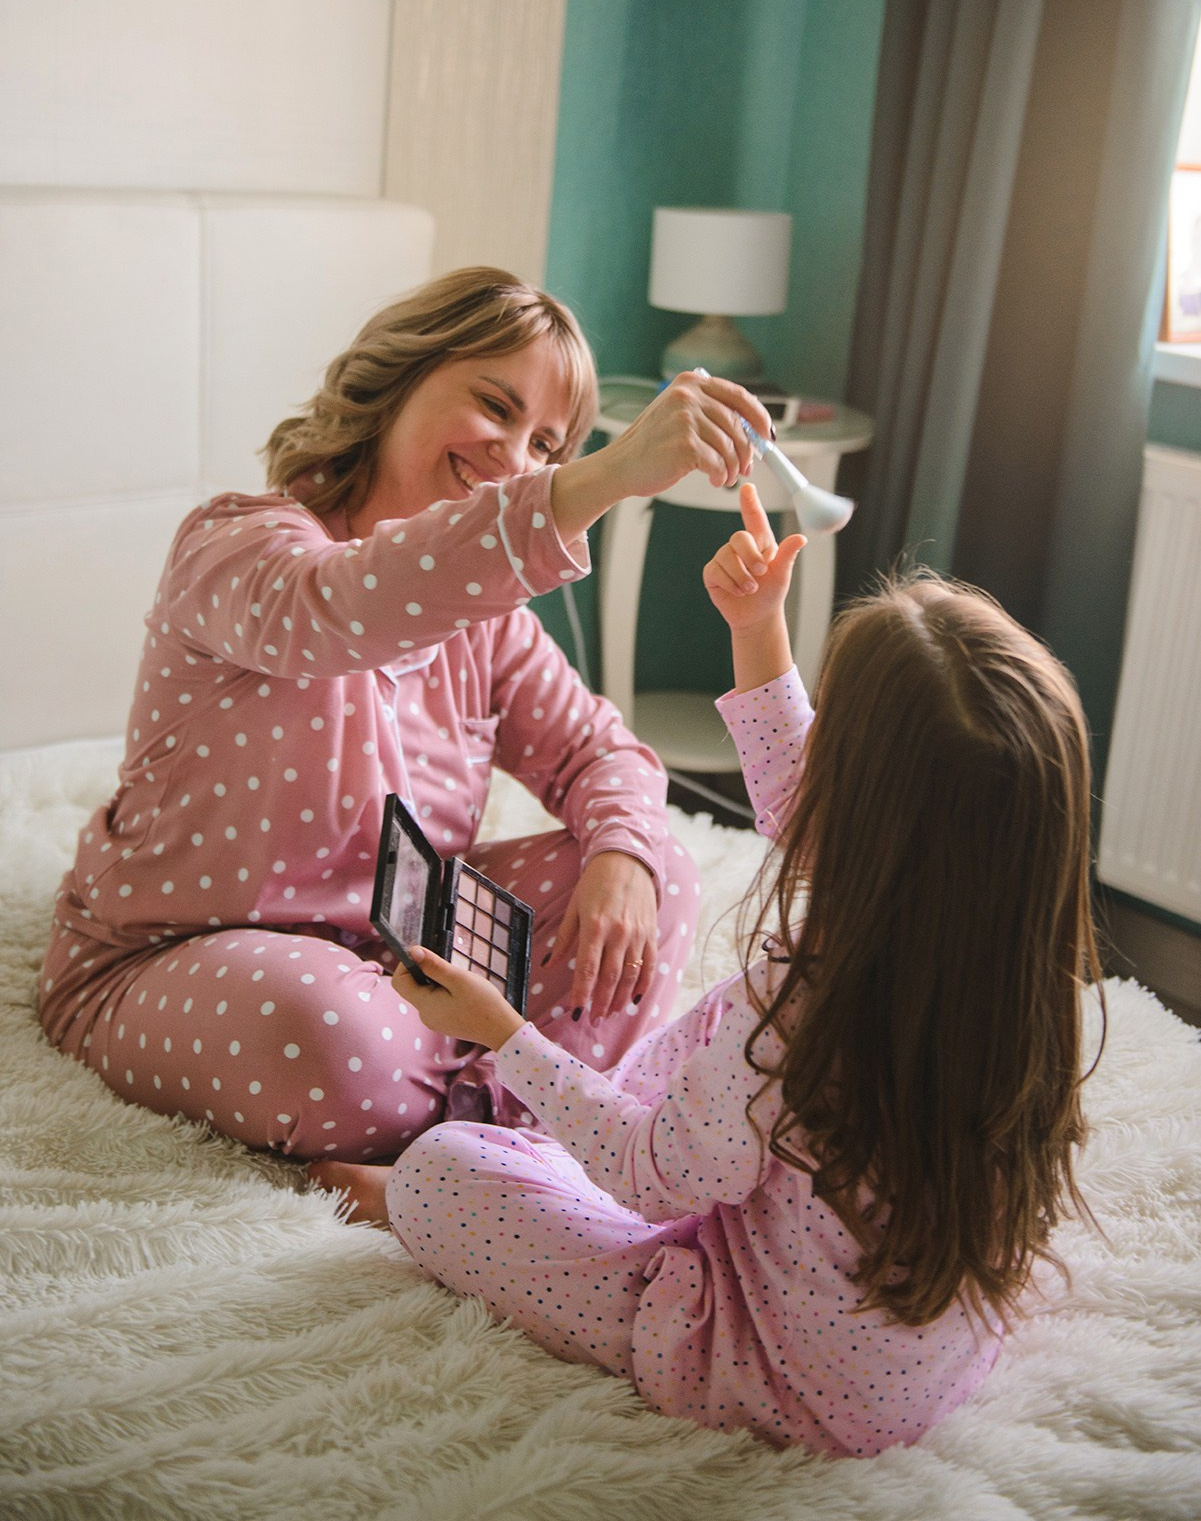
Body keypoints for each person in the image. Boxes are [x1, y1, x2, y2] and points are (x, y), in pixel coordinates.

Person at [319, 482, 1105, 1455]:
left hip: (752, 1356)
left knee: (441, 1173)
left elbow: (654, 1177)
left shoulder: (800, 1016)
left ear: (860, 819)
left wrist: (504, 1037)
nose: (806, 785)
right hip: (922, 1360)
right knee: (700, 1043)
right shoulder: (1013, 971)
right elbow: (812, 812)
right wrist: (757, 629)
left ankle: (430, 1188)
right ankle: (552, 1155)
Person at [38, 268, 775, 1163]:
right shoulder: (234, 545)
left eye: (547, 444)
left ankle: (497, 1146)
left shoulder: (488, 619)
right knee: (326, 1034)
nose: (516, 458)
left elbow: (598, 750)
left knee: (654, 870)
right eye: (494, 407)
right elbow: (341, 609)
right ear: (395, 386)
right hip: (176, 953)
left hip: (408, 951)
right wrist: (610, 474)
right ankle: (513, 1129)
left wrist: (622, 856)